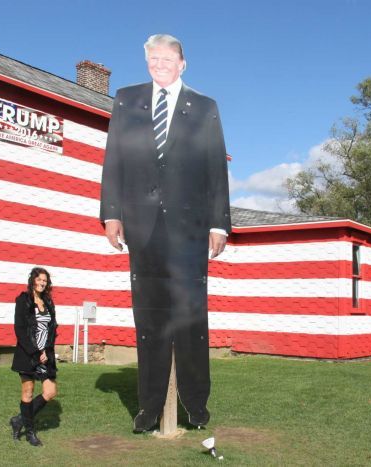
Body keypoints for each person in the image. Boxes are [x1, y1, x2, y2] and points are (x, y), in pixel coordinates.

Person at [100, 33, 231, 432]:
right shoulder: (126, 100)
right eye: (153, 57)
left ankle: (195, 404)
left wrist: (218, 223)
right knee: (150, 319)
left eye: (168, 58)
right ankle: (149, 407)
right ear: (146, 62)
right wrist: (111, 214)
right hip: (143, 226)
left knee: (191, 317)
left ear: (182, 63)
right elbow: (114, 158)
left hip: (190, 227)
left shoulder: (205, 107)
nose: (160, 63)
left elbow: (215, 168)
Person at [9, 267, 58, 446]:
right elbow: (20, 330)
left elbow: (52, 328)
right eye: (39, 279)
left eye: (45, 280)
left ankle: (19, 420)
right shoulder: (23, 300)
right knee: (28, 392)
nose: (42, 283)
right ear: (32, 280)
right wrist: (36, 353)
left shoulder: (48, 302)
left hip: (46, 355)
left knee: (50, 391)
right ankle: (31, 433)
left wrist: (47, 351)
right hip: (28, 354)